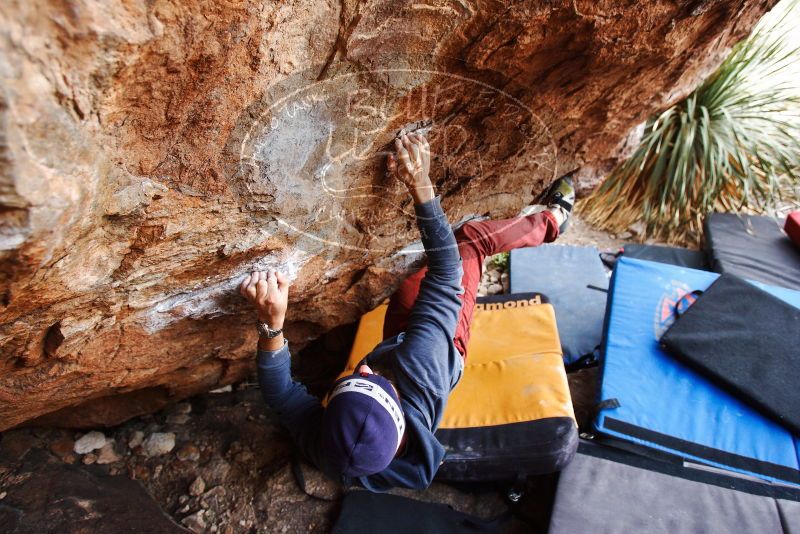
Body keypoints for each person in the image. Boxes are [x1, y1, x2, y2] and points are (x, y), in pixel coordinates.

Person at [241, 132, 574, 491]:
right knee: (469, 240)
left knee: (407, 270)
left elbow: (281, 395)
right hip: (441, 349)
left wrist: (271, 324)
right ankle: (553, 221)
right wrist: (420, 183)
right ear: (398, 402)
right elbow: (447, 270)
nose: (363, 367)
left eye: (353, 379)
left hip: (394, 345)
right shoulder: (424, 364)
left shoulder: (331, 448)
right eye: (372, 379)